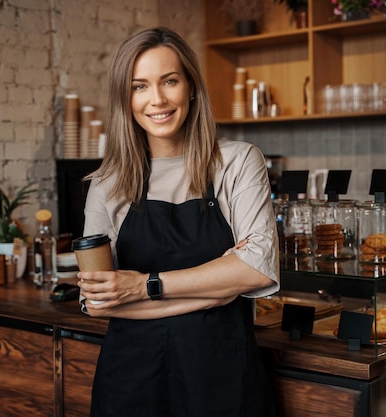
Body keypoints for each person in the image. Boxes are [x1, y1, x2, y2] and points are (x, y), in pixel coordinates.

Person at [77, 27, 280, 417]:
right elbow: (98, 301)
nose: (157, 99)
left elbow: (256, 268)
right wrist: (214, 291)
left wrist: (143, 285)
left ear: (190, 87)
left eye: (169, 81)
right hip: (130, 383)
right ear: (125, 97)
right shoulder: (107, 183)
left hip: (222, 378)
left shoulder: (237, 162)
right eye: (140, 86)